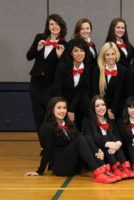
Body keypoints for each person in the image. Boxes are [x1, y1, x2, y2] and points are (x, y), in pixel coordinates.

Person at [25, 97, 118, 183]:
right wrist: (39, 170)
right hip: (60, 166)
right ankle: (98, 172)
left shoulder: (69, 124)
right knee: (80, 138)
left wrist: (97, 151)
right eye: (59, 108)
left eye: (64, 108)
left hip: (75, 166)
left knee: (86, 137)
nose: (62, 111)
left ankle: (103, 168)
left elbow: (84, 140)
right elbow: (47, 150)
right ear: (52, 109)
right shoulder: (47, 127)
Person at [26, 14, 67, 146]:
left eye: (56, 24)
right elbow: (29, 56)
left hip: (50, 86)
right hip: (36, 82)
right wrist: (37, 49)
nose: (54, 27)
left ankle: (53, 145)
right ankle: (43, 146)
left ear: (61, 27)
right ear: (48, 26)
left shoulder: (64, 44)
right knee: (38, 117)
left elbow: (64, 68)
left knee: (49, 117)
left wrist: (60, 56)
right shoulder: (40, 37)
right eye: (51, 24)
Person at [82, 95, 134, 179]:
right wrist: (107, 144)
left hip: (114, 152)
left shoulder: (110, 121)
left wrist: (116, 145)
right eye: (97, 106)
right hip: (100, 155)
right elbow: (91, 140)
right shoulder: (87, 122)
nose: (101, 108)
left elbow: (118, 137)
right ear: (93, 108)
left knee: (114, 140)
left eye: (103, 105)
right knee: (106, 138)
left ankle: (125, 166)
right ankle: (116, 167)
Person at [53, 38, 92, 130]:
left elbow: (82, 90)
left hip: (78, 102)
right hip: (62, 102)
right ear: (71, 53)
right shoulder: (62, 66)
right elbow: (57, 90)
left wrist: (71, 109)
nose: (79, 54)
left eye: (82, 51)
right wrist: (64, 108)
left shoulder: (88, 68)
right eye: (76, 51)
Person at [92, 42, 126, 120]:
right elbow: (95, 92)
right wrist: (104, 110)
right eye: (107, 54)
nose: (111, 57)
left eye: (113, 54)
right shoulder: (97, 70)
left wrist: (112, 111)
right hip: (99, 109)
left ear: (116, 54)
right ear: (103, 56)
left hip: (117, 110)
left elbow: (119, 93)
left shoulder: (123, 70)